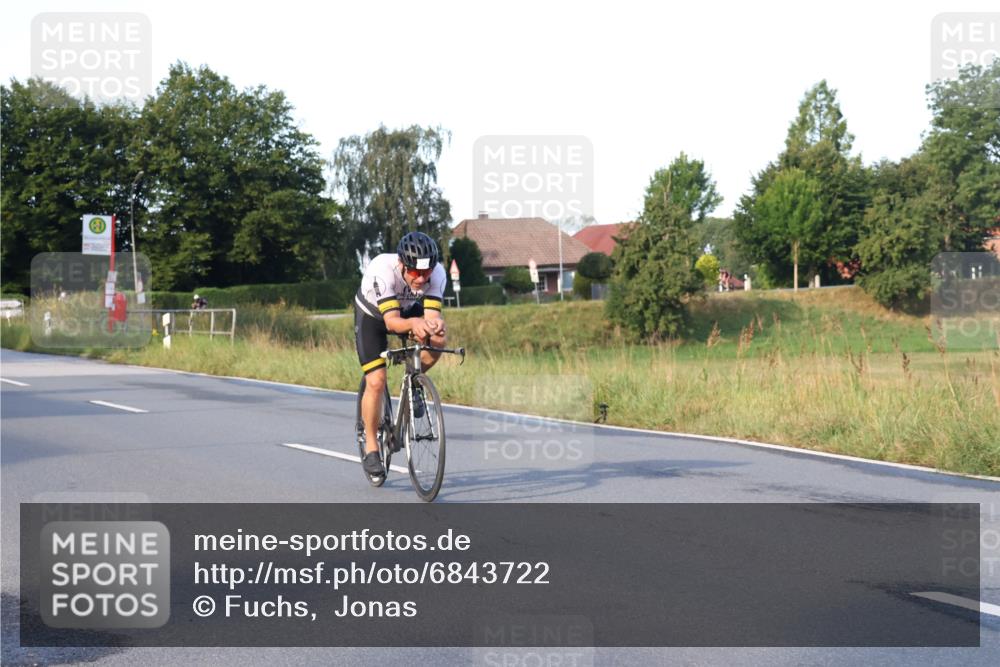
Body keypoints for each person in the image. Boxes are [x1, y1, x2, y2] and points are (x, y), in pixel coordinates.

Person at [354, 231, 448, 478]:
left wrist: (434, 325)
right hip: (374, 315)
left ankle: (414, 379)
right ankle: (372, 447)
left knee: (438, 339)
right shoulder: (382, 271)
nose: (420, 279)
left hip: (407, 308)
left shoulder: (437, 274)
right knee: (376, 380)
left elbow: (431, 318)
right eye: (415, 272)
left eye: (426, 273)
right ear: (401, 265)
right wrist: (415, 323)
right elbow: (392, 322)